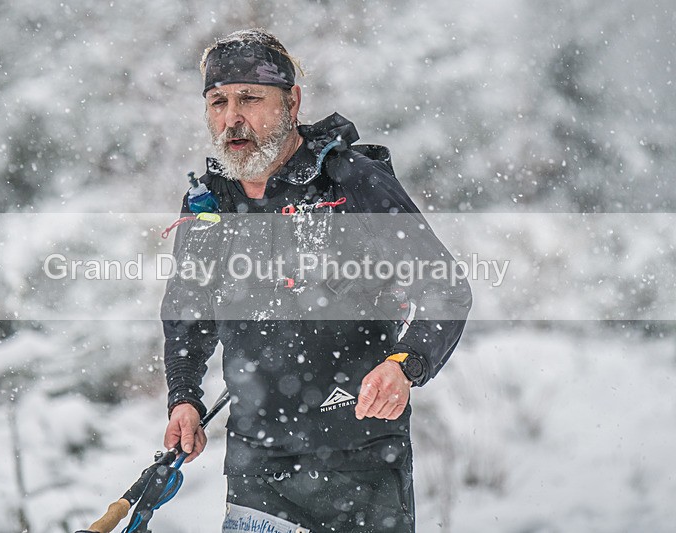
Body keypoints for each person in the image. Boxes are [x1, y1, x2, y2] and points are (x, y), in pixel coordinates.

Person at [161, 29, 472, 533]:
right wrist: (183, 396)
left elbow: (444, 286)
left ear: (293, 101)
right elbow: (188, 308)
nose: (231, 118)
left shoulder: (353, 181)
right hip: (257, 462)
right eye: (218, 102)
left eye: (249, 98)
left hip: (361, 458)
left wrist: (405, 364)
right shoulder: (208, 201)